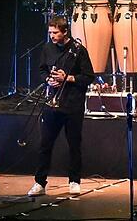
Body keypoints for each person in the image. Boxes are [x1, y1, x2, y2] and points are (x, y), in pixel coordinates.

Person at [28, 17, 94, 197]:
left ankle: (74, 181)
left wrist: (69, 78)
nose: (52, 36)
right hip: (52, 104)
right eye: (50, 33)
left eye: (55, 33)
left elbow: (89, 77)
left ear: (65, 32)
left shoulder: (79, 50)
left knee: (74, 144)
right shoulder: (47, 48)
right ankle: (39, 183)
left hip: (73, 104)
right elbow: (42, 70)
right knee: (45, 144)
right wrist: (48, 79)